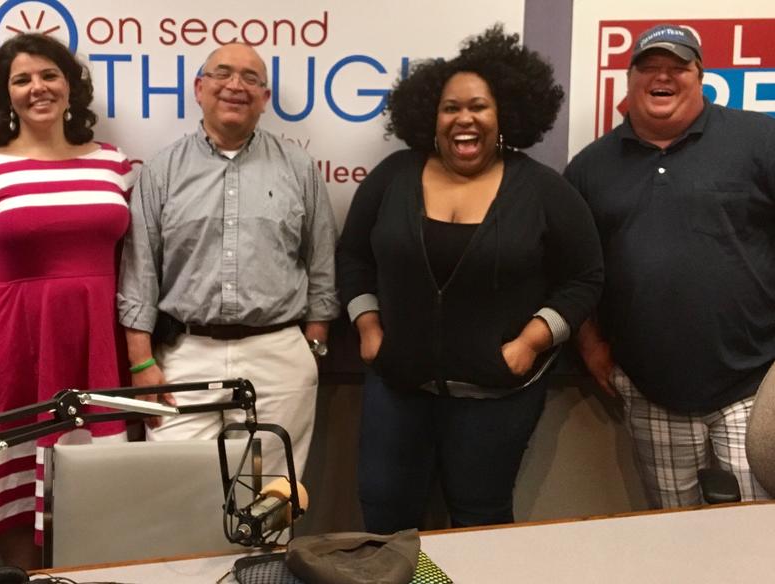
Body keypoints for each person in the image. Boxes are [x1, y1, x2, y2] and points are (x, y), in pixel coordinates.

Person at [336, 25, 603, 533]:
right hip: (399, 388)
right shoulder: (393, 177)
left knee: (480, 523)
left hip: (497, 398)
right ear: (430, 118)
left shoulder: (543, 190)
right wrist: (369, 328)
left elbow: (585, 278)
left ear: (504, 114)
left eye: (478, 106)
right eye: (450, 107)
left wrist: (531, 340)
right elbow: (352, 256)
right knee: (385, 519)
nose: (464, 119)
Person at [0, 33, 134, 568]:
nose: (37, 88)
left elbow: (137, 267)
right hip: (12, 352)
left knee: (96, 495)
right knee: (18, 501)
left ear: (71, 86)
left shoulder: (115, 166)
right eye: (21, 79)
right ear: (6, 95)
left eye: (49, 75)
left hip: (97, 351)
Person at [565, 23, 774, 508]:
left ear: (700, 77)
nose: (663, 76)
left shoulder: (759, 138)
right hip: (650, 388)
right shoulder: (590, 167)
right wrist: (590, 343)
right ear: (630, 79)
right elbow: (572, 272)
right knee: (670, 531)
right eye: (649, 67)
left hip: (756, 387)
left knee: (759, 533)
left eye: (677, 66)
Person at [117, 42, 339, 480]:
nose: (235, 85)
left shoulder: (297, 167)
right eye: (222, 74)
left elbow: (322, 265)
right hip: (185, 354)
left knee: (269, 496)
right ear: (199, 88)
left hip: (278, 356)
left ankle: (264, 555)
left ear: (265, 98)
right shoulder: (163, 170)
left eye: (251, 78)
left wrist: (311, 348)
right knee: (178, 491)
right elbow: (139, 271)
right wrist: (141, 362)